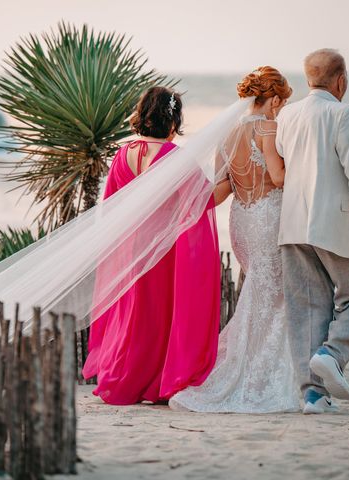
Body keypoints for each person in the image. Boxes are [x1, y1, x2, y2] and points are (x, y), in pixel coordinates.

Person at [169, 67, 301, 413]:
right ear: (273, 99)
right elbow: (277, 176)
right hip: (269, 220)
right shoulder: (269, 128)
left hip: (241, 221)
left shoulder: (227, 133)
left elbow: (220, 190)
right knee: (275, 298)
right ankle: (261, 375)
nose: (281, 109)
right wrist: (304, 171)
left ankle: (252, 364)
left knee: (259, 294)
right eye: (282, 102)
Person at [82, 86, 221, 405]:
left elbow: (112, 206)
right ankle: (156, 382)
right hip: (163, 250)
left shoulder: (122, 155)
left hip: (130, 247)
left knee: (133, 313)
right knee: (159, 315)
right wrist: (234, 180)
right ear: (173, 120)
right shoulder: (175, 157)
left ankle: (125, 379)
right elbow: (204, 200)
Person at [277, 49, 349, 414]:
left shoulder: (287, 115)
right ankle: (332, 353)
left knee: (306, 310)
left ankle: (313, 395)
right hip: (334, 224)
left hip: (293, 225)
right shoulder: (344, 113)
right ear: (341, 80)